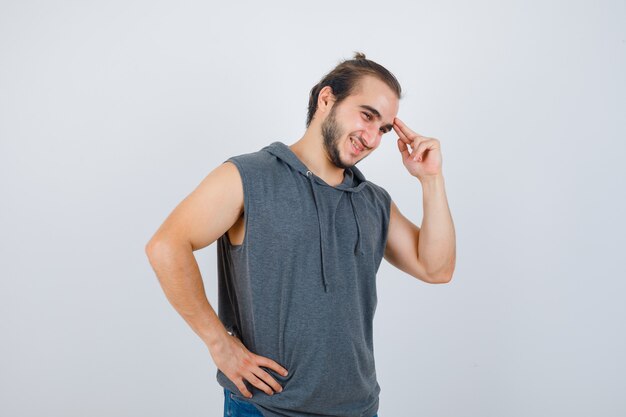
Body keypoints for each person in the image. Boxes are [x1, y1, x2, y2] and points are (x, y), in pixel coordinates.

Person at [145, 52, 456, 417]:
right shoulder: (251, 176)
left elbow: (437, 269)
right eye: (367, 115)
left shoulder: (373, 201)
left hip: (359, 408)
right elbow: (166, 245)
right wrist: (219, 344)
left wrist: (431, 179)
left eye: (384, 129)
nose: (372, 137)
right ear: (327, 99)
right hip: (266, 408)